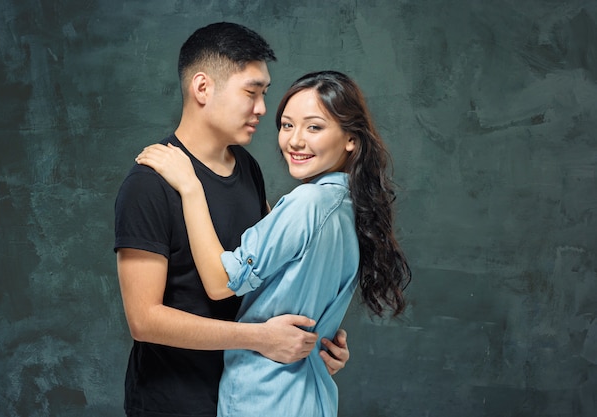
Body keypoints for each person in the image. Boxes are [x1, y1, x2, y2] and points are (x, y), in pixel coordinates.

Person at [136, 70, 412, 416]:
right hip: (310, 395)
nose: (295, 141)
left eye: (314, 127)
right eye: (287, 126)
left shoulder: (307, 204)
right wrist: (326, 344)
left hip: (266, 396)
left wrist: (191, 188)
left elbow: (223, 283)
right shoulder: (351, 208)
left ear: (350, 139)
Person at [114, 24, 350, 417]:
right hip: (173, 403)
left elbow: (267, 271)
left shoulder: (246, 167)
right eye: (251, 92)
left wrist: (316, 340)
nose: (262, 109)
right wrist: (259, 339)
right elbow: (144, 320)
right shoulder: (148, 184)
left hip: (245, 397)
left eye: (264, 95)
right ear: (203, 88)